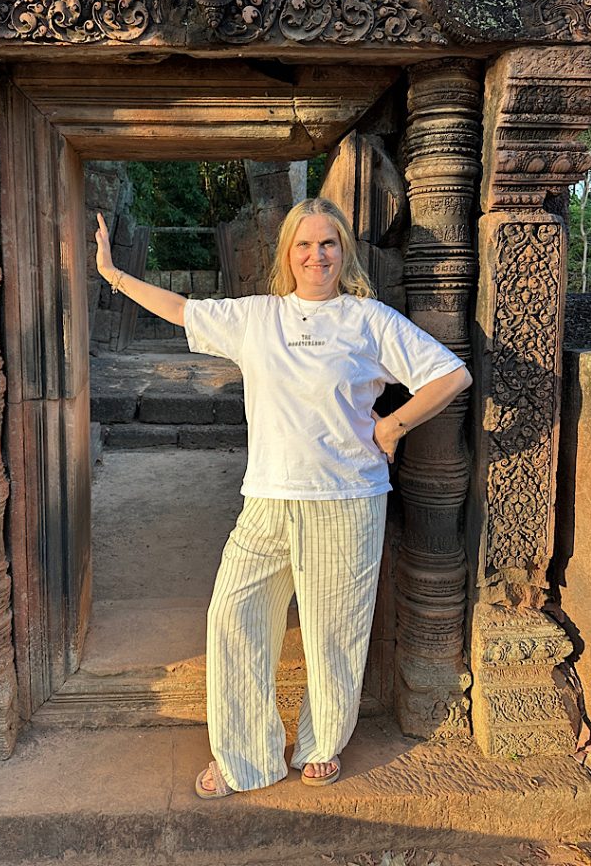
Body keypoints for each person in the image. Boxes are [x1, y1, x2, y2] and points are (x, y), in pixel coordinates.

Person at [94, 197, 471, 799]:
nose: (316, 255)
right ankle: (248, 758)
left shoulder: (368, 319)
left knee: (333, 631)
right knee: (233, 616)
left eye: (327, 243)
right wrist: (114, 276)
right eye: (304, 244)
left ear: (342, 251)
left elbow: (451, 373)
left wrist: (392, 425)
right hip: (267, 496)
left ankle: (322, 743)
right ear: (287, 254)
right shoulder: (258, 317)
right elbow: (182, 309)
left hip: (346, 495)